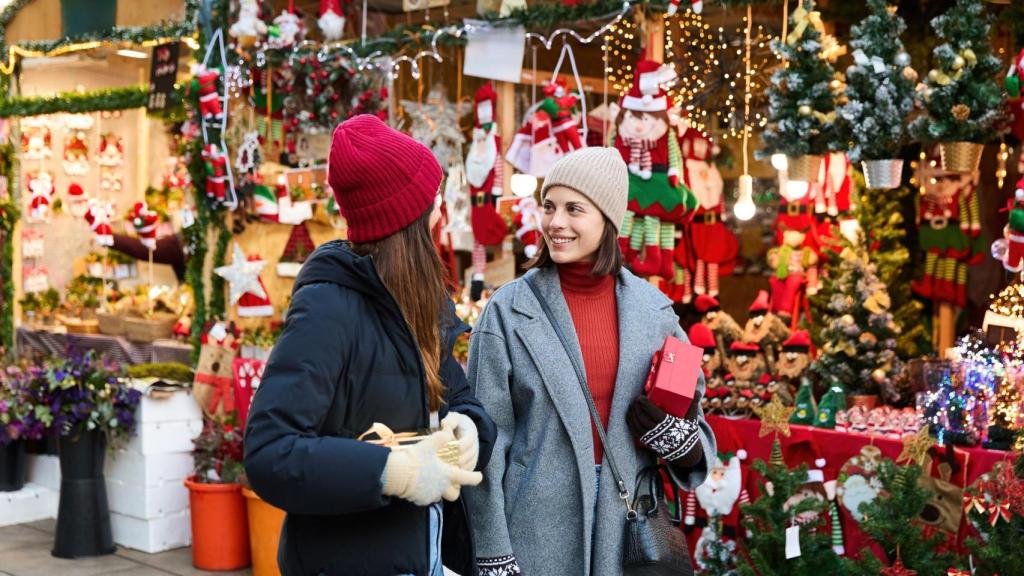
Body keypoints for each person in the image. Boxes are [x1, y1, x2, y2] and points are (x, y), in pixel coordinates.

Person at [245, 115, 497, 576]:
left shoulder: (421, 299)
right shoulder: (327, 309)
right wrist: (393, 471)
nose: (442, 212)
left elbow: (458, 396)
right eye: (434, 201)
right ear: (407, 223)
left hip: (427, 557)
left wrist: (470, 429)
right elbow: (269, 451)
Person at [464, 147, 715, 576]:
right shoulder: (507, 312)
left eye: (574, 209)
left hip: (629, 530)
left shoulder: (656, 313)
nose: (555, 223)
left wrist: (677, 438)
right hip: (535, 534)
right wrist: (492, 551)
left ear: (607, 219)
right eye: (549, 206)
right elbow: (487, 443)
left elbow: (697, 427)